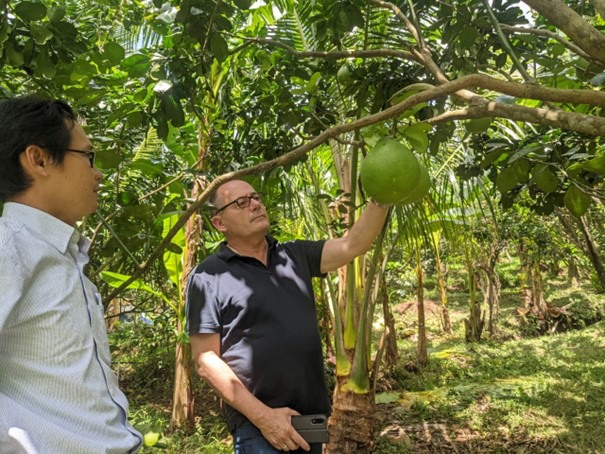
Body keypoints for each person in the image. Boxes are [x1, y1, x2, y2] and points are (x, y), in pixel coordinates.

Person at [186, 179, 389, 453]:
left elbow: (353, 245)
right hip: (257, 426)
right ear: (220, 223)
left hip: (309, 420)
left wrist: (383, 196)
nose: (255, 205)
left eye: (256, 197)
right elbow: (206, 359)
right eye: (241, 203)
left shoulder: (294, 255)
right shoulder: (208, 275)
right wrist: (264, 417)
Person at [0, 97, 142, 454]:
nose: (98, 173)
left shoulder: (62, 256)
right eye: (87, 156)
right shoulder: (8, 248)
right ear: (39, 159)